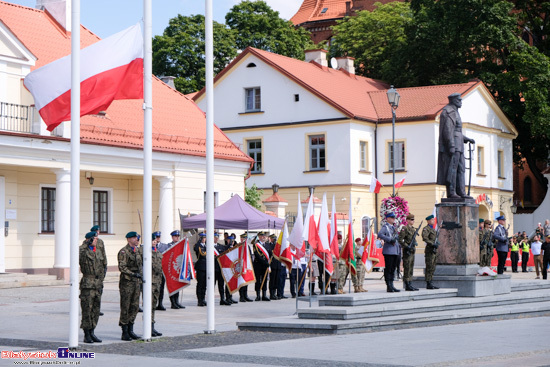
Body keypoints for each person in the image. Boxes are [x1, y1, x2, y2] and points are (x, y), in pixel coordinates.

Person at [436, 93, 475, 199]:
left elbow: (457, 130)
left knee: (461, 169)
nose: (461, 102)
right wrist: (451, 145)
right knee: (452, 169)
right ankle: (451, 192)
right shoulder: (448, 112)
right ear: (453, 101)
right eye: (459, 100)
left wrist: (467, 139)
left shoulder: (456, 112)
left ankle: (461, 191)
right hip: (453, 145)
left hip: (459, 144)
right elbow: (447, 131)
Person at [79, 231, 104, 343]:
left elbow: (102, 266)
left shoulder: (97, 251)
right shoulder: (83, 250)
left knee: (95, 309)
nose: (96, 240)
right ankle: (86, 334)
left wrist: (101, 280)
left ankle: (93, 331)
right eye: (94, 239)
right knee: (87, 310)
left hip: (97, 284)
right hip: (88, 284)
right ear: (89, 239)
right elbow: (79, 252)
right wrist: (86, 243)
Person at [118, 231, 142, 341]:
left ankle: (131, 328)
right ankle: (125, 331)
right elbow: (122, 267)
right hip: (127, 282)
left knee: (135, 306)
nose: (136, 239)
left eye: (137, 238)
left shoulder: (138, 251)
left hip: (136, 282)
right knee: (125, 306)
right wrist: (133, 274)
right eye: (134, 238)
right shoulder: (124, 252)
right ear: (128, 239)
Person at [157, 230, 185, 310]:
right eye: (176, 236)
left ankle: (176, 301)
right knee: (169, 285)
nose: (177, 237)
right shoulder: (168, 246)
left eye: (178, 236)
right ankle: (171, 302)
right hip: (167, 269)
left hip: (176, 269)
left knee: (177, 285)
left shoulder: (180, 245)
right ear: (172, 237)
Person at [378, 212, 400, 293]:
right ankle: (389, 285)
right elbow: (380, 235)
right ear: (387, 218)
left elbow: (396, 237)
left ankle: (392, 284)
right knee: (389, 268)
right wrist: (389, 239)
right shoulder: (385, 227)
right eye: (392, 217)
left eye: (394, 217)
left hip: (395, 251)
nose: (393, 219)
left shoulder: (393, 227)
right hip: (389, 251)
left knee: (393, 269)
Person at [88, 225, 107, 316]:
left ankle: (97, 309)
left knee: (99, 290)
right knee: (91, 292)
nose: (98, 232)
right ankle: (90, 309)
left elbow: (103, 254)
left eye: (98, 231)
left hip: (100, 269)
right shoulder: (88, 242)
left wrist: (105, 265)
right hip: (92, 270)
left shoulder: (100, 242)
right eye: (96, 231)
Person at [398, 214, 419, 291]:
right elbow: (400, 239)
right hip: (407, 251)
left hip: (412, 250)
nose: (413, 221)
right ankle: (407, 284)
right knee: (407, 268)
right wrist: (407, 246)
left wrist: (415, 243)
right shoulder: (405, 228)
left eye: (413, 220)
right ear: (407, 220)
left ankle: (410, 283)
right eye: (411, 220)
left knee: (411, 267)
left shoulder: (413, 229)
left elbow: (413, 239)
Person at [149, 232, 163, 337]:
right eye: (152, 241)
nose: (154, 242)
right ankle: (148, 327)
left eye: (155, 241)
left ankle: (152, 327)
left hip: (157, 282)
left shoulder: (158, 253)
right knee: (149, 306)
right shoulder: (145, 253)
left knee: (153, 305)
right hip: (149, 283)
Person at [422, 214, 439, 290]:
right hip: (429, 250)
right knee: (429, 267)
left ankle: (431, 281)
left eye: (433, 219)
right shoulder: (426, 229)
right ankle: (428, 282)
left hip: (434, 251)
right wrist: (432, 244)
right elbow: (425, 238)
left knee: (433, 267)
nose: (433, 220)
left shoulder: (433, 229)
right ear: (428, 221)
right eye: (432, 220)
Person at [253, 231, 271, 301]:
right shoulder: (256, 245)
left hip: (265, 266)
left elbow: (269, 254)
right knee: (258, 280)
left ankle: (264, 295)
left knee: (265, 280)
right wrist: (265, 263)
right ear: (259, 237)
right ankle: (258, 295)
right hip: (258, 265)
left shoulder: (267, 245)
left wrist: (269, 262)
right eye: (262, 236)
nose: (263, 237)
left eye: (264, 236)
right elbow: (257, 255)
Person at [214, 232, 231, 306]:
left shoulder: (220, 246)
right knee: (212, 285)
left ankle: (222, 299)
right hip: (213, 269)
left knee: (221, 285)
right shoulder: (207, 246)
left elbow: (227, 249)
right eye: (215, 237)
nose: (216, 239)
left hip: (220, 268)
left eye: (217, 237)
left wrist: (229, 243)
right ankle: (210, 299)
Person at [194, 233, 207, 307]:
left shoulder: (207, 246)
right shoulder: (198, 246)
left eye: (205, 238)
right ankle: (199, 300)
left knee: (204, 285)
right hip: (200, 267)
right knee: (200, 284)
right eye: (202, 238)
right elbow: (195, 249)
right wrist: (199, 241)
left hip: (206, 267)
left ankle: (203, 299)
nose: (204, 239)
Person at [268, 233, 281, 300]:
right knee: (272, 280)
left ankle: (275, 293)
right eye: (273, 238)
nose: (274, 240)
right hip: (272, 265)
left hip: (278, 265)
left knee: (277, 280)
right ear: (271, 239)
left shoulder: (278, 246)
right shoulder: (269, 246)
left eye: (275, 239)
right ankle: (271, 294)